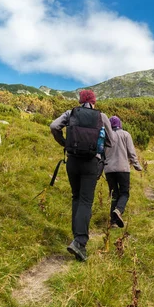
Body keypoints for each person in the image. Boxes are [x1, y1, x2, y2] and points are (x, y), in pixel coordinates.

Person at [50, 90, 115, 261]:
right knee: (86, 200)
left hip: (72, 161)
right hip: (91, 163)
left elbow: (54, 126)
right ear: (94, 101)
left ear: (80, 101)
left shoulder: (71, 113)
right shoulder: (102, 116)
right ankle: (79, 241)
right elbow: (112, 141)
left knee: (76, 197)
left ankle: (76, 237)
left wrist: (65, 144)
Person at [104, 116, 142, 228]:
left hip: (109, 170)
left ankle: (113, 222)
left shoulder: (106, 135)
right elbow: (131, 152)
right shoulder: (126, 135)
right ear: (120, 124)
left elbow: (101, 153)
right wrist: (137, 166)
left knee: (115, 193)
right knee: (124, 192)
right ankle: (119, 210)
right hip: (123, 169)